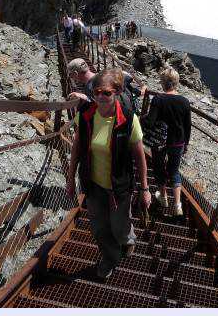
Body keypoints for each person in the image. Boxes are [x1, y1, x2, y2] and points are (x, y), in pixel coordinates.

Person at [66, 69, 151, 279]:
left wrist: (145, 188)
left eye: (106, 93)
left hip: (119, 187)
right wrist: (70, 179)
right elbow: (77, 146)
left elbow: (140, 156)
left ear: (118, 92)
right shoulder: (86, 114)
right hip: (93, 185)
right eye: (97, 92)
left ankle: (128, 239)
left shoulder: (128, 119)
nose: (101, 97)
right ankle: (110, 259)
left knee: (119, 229)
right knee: (100, 229)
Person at [141, 68, 191, 217]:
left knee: (159, 167)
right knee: (174, 171)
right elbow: (187, 125)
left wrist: (141, 118)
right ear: (176, 82)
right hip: (178, 141)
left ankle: (163, 198)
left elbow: (150, 122)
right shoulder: (184, 101)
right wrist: (186, 143)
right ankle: (177, 205)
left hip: (160, 141)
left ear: (163, 83)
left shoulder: (158, 99)